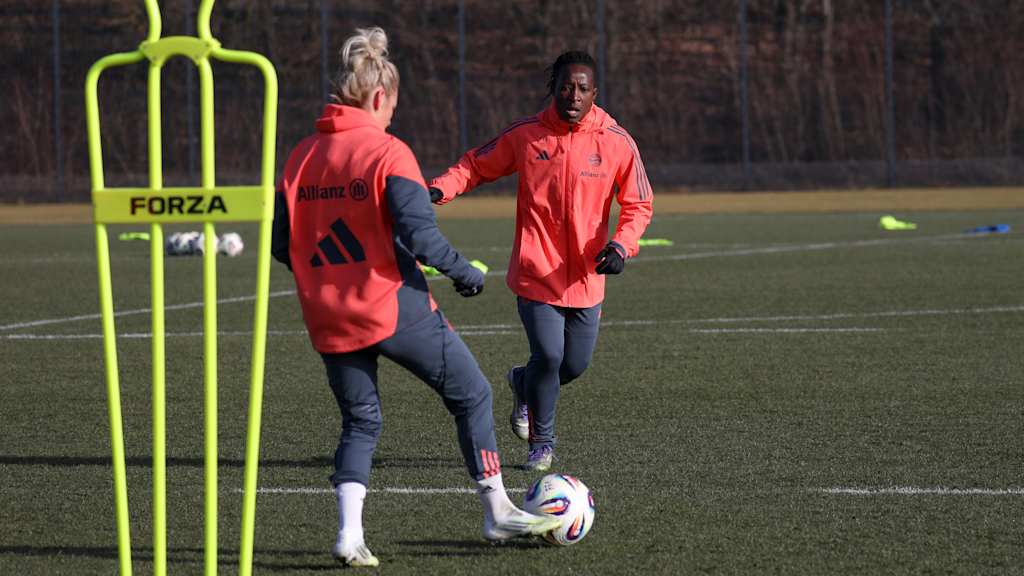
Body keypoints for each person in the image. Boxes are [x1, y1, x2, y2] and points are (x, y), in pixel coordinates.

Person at [271, 27, 559, 568]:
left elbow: (279, 244)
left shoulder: (301, 156)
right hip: (388, 303)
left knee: (361, 421)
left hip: (327, 315)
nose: (391, 115)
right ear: (380, 97)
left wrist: (326, 275)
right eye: (392, 106)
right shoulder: (386, 150)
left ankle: (349, 536)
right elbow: (420, 235)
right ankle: (496, 509)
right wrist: (463, 273)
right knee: (472, 392)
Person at [429, 50, 653, 472]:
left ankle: (521, 382)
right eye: (566, 87)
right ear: (554, 88)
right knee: (549, 357)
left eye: (582, 89)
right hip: (536, 273)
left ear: (594, 94)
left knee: (573, 365)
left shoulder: (617, 141)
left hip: (587, 278)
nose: (573, 95)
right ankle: (541, 444)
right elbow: (476, 165)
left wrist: (622, 245)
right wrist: (441, 188)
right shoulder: (528, 135)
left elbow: (639, 204)